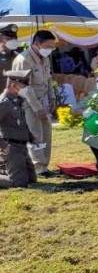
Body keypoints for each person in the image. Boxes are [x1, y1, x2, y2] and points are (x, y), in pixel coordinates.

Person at [12, 29, 57, 178]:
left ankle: (44, 165)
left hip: (43, 100)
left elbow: (48, 79)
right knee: (36, 134)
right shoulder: (24, 59)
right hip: (28, 104)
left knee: (46, 133)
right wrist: (37, 108)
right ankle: (39, 168)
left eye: (52, 47)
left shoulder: (45, 58)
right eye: (48, 46)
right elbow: (24, 88)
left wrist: (52, 98)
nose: (50, 50)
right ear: (37, 44)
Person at [0, 69, 37, 189]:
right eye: (24, 84)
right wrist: (3, 146)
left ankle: (5, 168)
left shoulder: (17, 101)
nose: (27, 87)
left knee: (32, 180)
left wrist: (31, 137)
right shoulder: (4, 103)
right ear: (13, 85)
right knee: (18, 183)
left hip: (21, 147)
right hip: (11, 147)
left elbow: (20, 123)